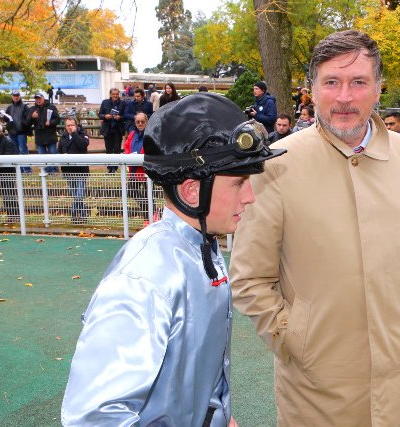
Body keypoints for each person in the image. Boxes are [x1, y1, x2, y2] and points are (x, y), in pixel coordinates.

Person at [229, 30, 400, 426]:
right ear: (312, 90)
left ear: (378, 89)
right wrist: (293, 338)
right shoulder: (278, 165)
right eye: (331, 82)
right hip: (315, 390)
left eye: (359, 82)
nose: (344, 97)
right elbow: (249, 277)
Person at [61, 92, 286, 426]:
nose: (250, 196)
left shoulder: (202, 246)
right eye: (240, 183)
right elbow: (93, 417)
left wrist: (219, 415)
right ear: (192, 191)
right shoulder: (144, 281)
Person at [57, 117, 90, 224]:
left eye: (72, 125)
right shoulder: (63, 137)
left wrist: (75, 134)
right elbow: (59, 151)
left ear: (76, 125)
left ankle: (73, 214)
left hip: (81, 170)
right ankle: (83, 216)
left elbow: (83, 145)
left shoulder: (82, 134)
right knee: (75, 194)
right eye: (68, 125)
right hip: (68, 171)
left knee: (79, 194)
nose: (70, 127)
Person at [124, 112, 150, 217]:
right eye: (137, 122)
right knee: (131, 190)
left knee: (149, 195)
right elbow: (126, 147)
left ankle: (149, 215)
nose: (140, 124)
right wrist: (128, 155)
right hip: (134, 170)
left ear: (146, 122)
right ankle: (149, 213)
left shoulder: (150, 134)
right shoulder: (132, 134)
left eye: (142, 122)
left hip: (146, 171)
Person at [27, 91, 60, 174]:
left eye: (39, 98)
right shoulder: (32, 109)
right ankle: (46, 170)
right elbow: (27, 123)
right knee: (42, 155)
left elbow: (57, 119)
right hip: (39, 136)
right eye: (36, 99)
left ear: (43, 98)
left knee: (53, 153)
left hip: (50, 135)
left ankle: (54, 170)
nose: (38, 100)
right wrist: (32, 117)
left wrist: (51, 122)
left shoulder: (51, 107)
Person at [99, 88, 127, 173]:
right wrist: (105, 116)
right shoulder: (105, 102)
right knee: (108, 149)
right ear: (110, 94)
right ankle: (109, 168)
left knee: (117, 149)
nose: (115, 96)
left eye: (117, 94)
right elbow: (100, 115)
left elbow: (125, 115)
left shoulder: (123, 103)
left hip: (118, 129)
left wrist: (120, 117)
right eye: (114, 94)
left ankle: (115, 168)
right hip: (107, 128)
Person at [4, 90, 32, 173]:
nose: (16, 97)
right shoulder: (9, 107)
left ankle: (27, 169)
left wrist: (24, 125)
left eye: (17, 95)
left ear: (19, 96)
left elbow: (28, 118)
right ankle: (19, 169)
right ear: (12, 96)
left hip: (21, 132)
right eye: (14, 95)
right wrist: (4, 117)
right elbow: (6, 118)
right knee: (14, 151)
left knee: (23, 150)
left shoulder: (24, 107)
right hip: (12, 132)